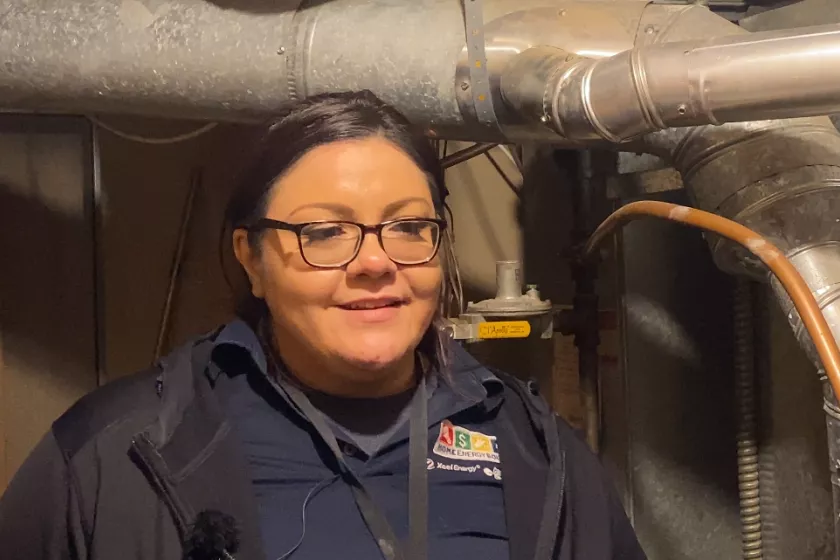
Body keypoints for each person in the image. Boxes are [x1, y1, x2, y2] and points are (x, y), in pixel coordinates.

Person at [0, 91, 646, 560]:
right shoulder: (110, 454)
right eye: (325, 231)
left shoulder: (543, 453)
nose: (375, 262)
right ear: (250, 258)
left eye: (408, 227)